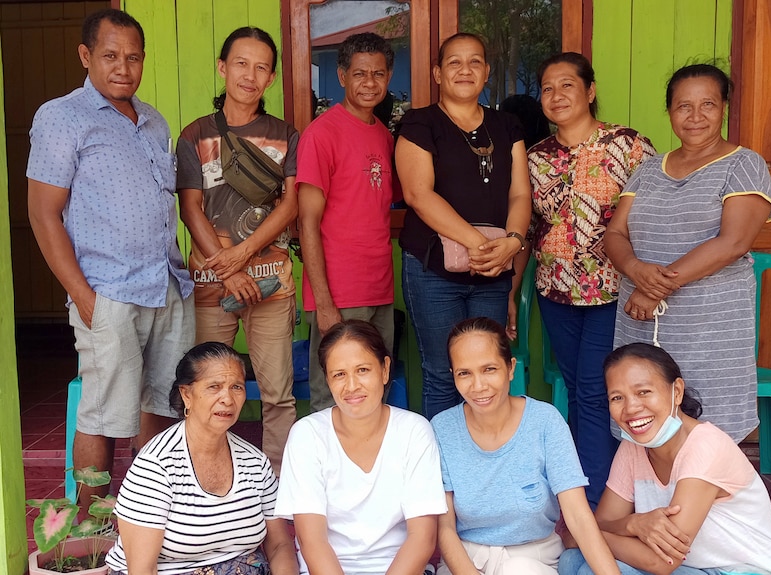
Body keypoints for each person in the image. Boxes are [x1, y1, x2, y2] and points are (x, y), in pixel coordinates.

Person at [27, 8, 195, 509]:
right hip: (108, 291)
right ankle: (93, 522)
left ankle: (151, 512)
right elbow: (43, 215)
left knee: (164, 402)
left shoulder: (153, 120)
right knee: (103, 412)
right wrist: (84, 297)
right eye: (110, 56)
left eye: (133, 57)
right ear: (86, 56)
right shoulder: (61, 117)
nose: (123, 67)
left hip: (166, 286)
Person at [605, 63, 771, 442]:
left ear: (724, 108)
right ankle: (652, 499)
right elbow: (615, 231)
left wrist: (653, 289)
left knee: (708, 426)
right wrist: (634, 268)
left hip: (708, 325)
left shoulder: (744, 164)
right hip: (640, 317)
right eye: (684, 106)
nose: (695, 116)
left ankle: (703, 500)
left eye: (708, 105)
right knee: (642, 411)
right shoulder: (648, 170)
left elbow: (733, 242)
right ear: (669, 111)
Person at [526, 52, 655, 509]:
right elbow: (528, 227)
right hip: (555, 290)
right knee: (580, 390)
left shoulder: (629, 146)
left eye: (567, 85)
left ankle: (599, 500)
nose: (556, 96)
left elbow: (652, 216)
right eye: (547, 88)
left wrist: (646, 280)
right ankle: (590, 484)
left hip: (613, 291)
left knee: (596, 388)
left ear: (590, 91)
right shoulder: (534, 157)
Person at [177, 27, 299, 475]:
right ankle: (208, 485)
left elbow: (289, 205)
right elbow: (191, 209)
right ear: (222, 68)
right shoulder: (194, 135)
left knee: (277, 395)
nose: (250, 74)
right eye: (241, 64)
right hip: (212, 284)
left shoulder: (286, 134)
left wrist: (245, 252)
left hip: (271, 281)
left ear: (271, 79)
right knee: (207, 392)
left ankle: (278, 494)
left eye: (262, 67)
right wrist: (229, 272)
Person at [558, 343, 771, 575]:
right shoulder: (633, 447)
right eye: (617, 398)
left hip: (738, 571)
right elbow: (603, 522)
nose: (631, 408)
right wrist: (633, 523)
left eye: (643, 392)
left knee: (591, 565)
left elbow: (661, 562)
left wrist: (585, 537)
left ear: (676, 391)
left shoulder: (706, 446)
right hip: (689, 568)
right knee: (572, 561)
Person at [396, 33, 532, 419]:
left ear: (487, 72)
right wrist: (481, 244)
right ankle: (443, 473)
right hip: (432, 270)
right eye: (454, 62)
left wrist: (514, 241)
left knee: (488, 373)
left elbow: (520, 195)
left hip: (493, 272)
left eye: (475, 62)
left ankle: (485, 460)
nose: (465, 69)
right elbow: (417, 194)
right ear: (438, 73)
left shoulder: (507, 126)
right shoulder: (420, 123)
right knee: (442, 372)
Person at [432, 317, 620, 575]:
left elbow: (577, 515)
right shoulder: (442, 428)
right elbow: (444, 527)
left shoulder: (545, 421)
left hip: (534, 560)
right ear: (453, 375)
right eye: (465, 373)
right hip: (465, 561)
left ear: (510, 368)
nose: (478, 386)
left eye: (489, 369)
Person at [104, 342, 299, 575]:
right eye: (214, 387)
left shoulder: (255, 462)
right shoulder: (156, 465)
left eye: (236, 387)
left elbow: (279, 545)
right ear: (187, 394)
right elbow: (142, 569)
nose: (227, 399)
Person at [276, 320, 446, 574]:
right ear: (328, 380)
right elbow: (312, 540)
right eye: (339, 374)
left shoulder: (414, 431)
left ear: (385, 369)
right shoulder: (307, 435)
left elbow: (422, 538)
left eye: (363, 370)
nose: (352, 385)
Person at [297, 33, 398, 412]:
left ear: (388, 78)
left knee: (374, 389)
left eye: (378, 73)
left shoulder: (383, 136)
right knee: (334, 396)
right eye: (359, 74)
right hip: (338, 292)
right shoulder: (321, 135)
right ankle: (328, 472)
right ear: (341, 76)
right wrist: (323, 302)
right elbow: (307, 222)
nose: (369, 82)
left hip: (380, 288)